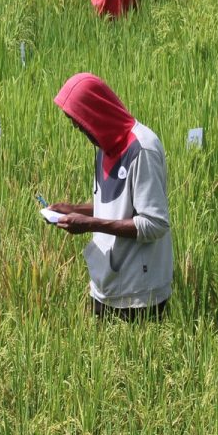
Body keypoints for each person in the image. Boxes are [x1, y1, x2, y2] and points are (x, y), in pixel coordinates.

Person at [45, 74, 172, 320]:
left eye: (80, 123)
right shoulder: (105, 147)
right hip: (106, 285)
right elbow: (118, 208)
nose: (79, 129)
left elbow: (155, 223)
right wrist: (74, 210)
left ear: (96, 113)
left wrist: (90, 224)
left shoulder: (142, 150)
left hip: (139, 296)